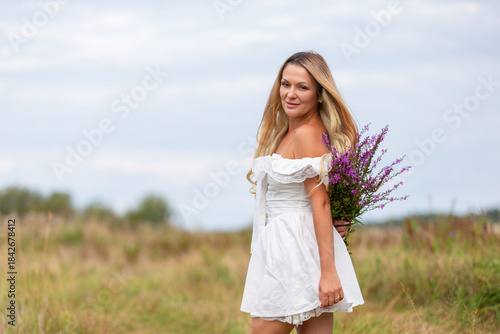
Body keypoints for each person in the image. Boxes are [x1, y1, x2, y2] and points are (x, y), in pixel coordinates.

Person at [240, 51, 364, 334]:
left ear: (320, 94)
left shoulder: (306, 135)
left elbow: (320, 202)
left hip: (293, 249)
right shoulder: (286, 134)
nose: (290, 94)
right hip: (291, 245)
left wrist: (329, 272)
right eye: (286, 84)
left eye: (302, 87)